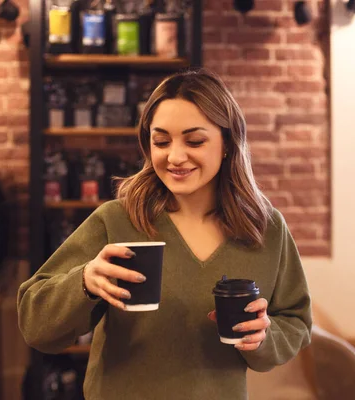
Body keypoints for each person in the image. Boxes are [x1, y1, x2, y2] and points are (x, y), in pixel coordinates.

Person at [18, 68, 312, 400]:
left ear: (228, 143)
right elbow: (35, 324)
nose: (174, 157)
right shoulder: (116, 221)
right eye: (161, 141)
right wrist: (83, 281)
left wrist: (264, 337)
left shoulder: (265, 228)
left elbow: (295, 319)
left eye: (195, 140)